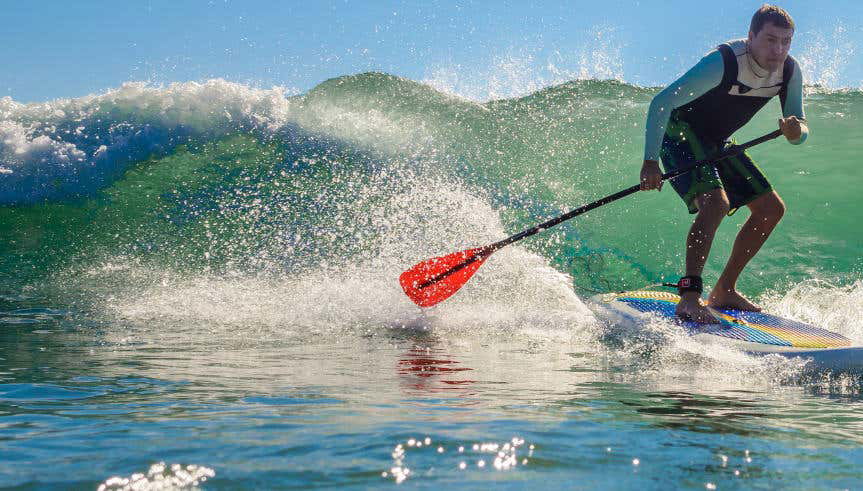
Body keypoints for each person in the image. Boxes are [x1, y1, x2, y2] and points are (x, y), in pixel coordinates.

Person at [639, 4, 808, 323]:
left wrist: (795, 129)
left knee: (771, 209)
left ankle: (725, 289)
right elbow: (661, 103)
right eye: (771, 40)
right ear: (751, 36)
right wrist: (650, 162)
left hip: (716, 142)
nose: (779, 49)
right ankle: (689, 297)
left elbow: (800, 130)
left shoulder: (789, 71)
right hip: (680, 133)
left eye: (786, 41)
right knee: (715, 203)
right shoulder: (725, 61)